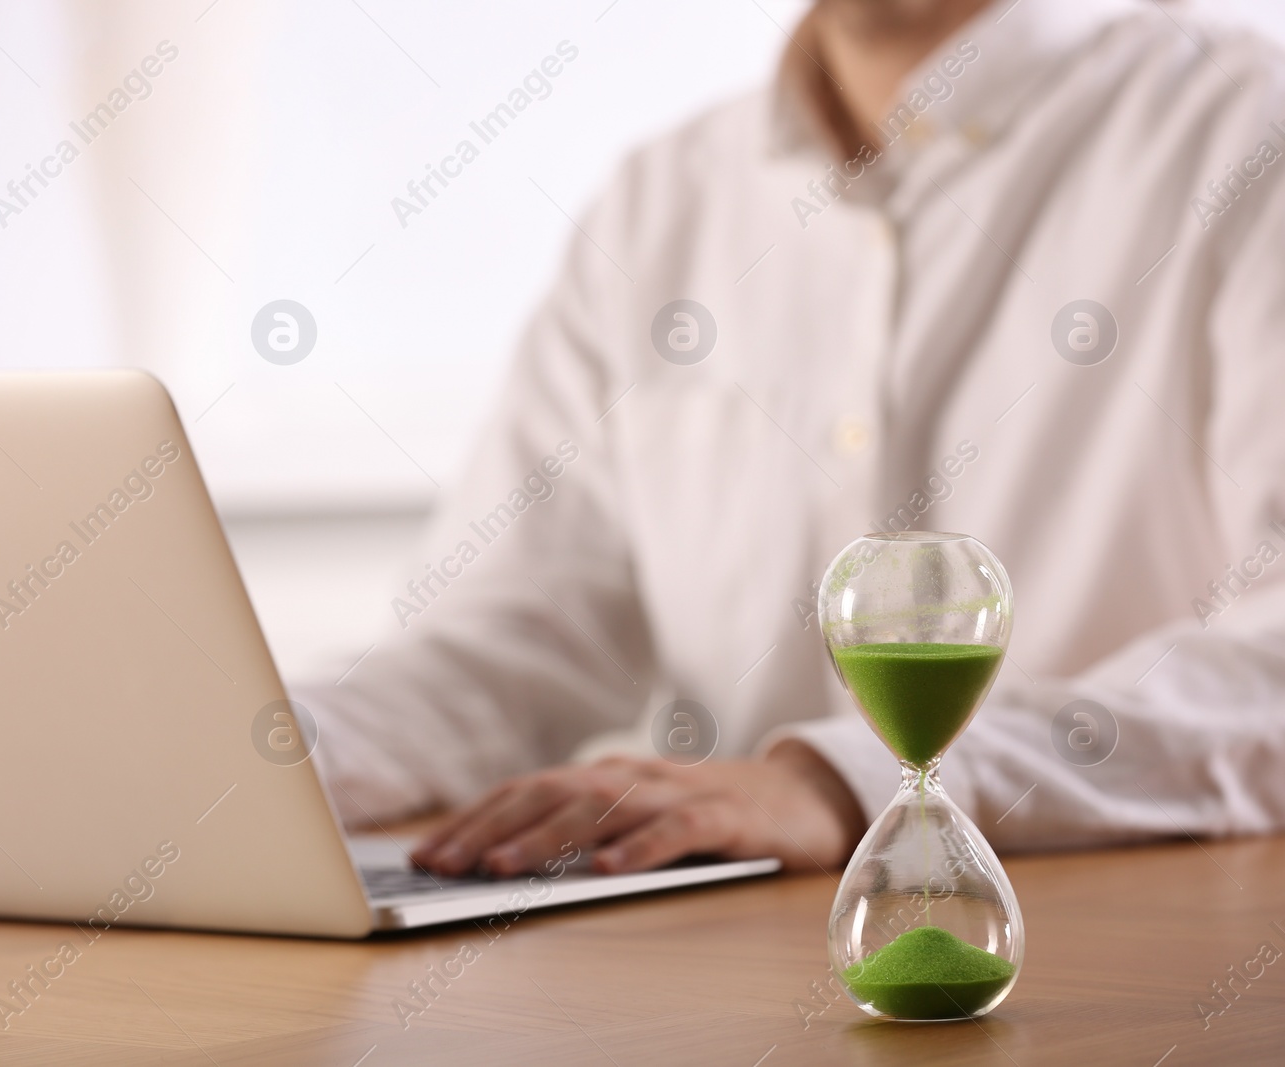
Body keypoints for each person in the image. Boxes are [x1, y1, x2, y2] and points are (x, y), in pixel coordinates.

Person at [300, 0, 1285, 879]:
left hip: (1128, 949)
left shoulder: (1248, 131)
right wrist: (255, 757)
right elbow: (505, 640)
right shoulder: (662, 198)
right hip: (722, 961)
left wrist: (837, 782)